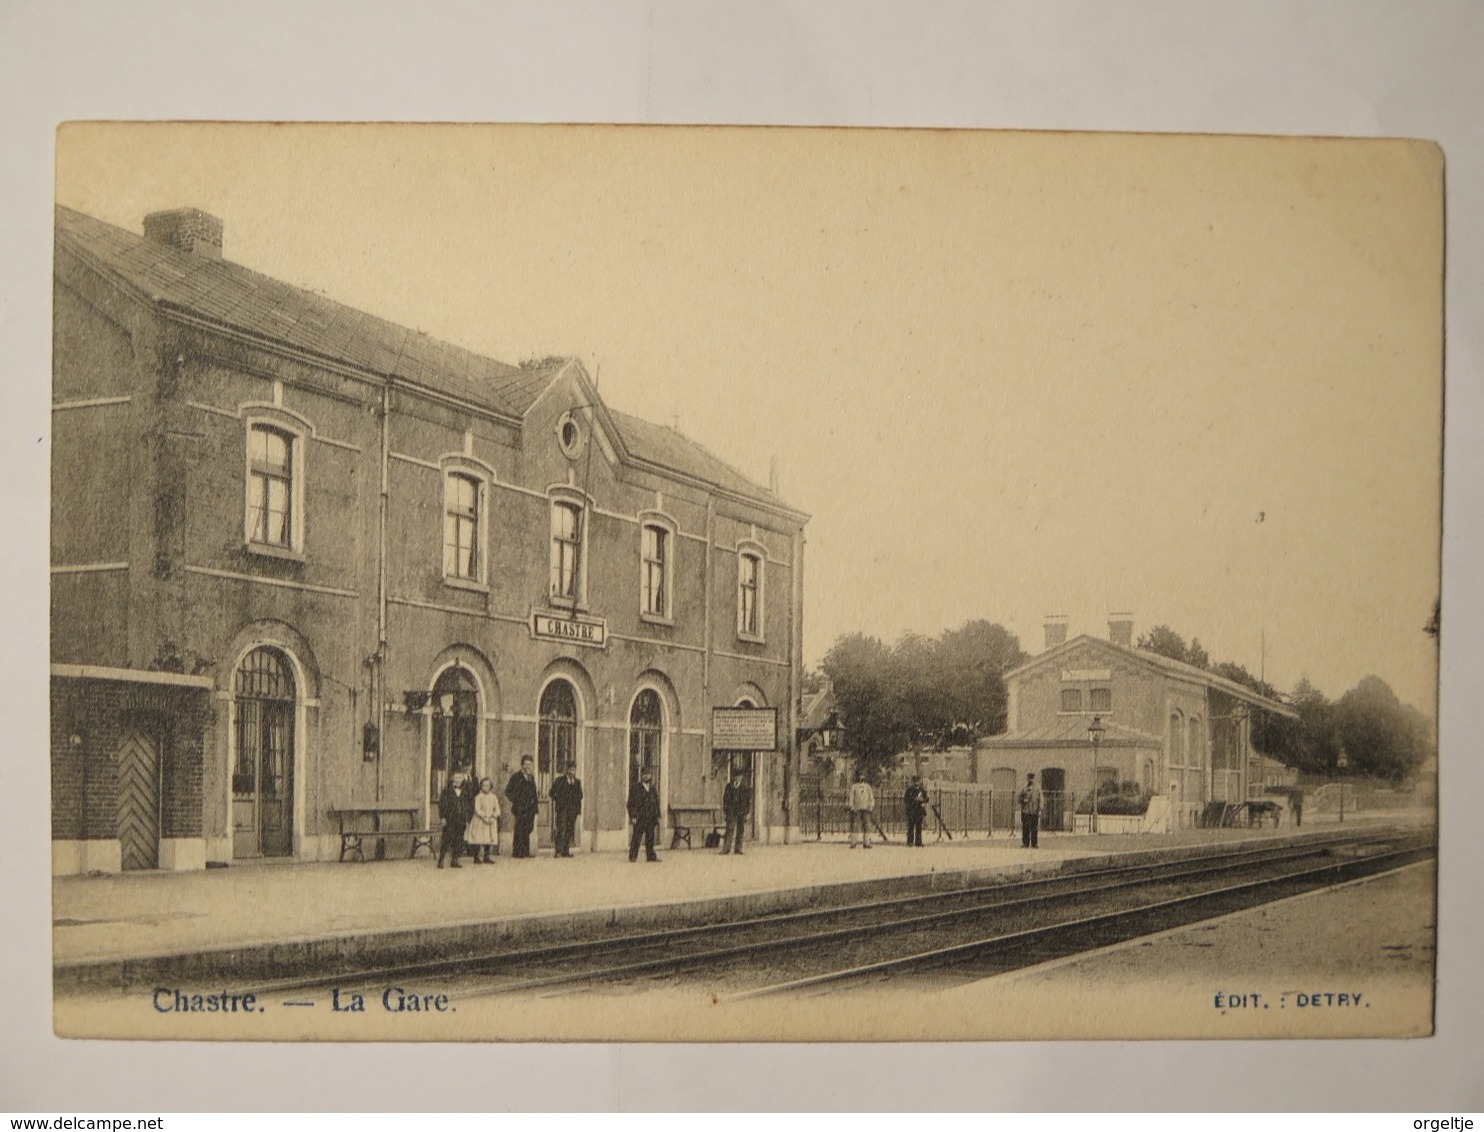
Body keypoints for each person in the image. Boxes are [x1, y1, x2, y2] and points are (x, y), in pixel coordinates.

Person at [505, 755, 540, 859]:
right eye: (525, 764)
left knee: (528, 828)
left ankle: (525, 851)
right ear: (522, 765)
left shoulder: (531, 777)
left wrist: (535, 808)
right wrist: (517, 800)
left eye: (529, 764)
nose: (527, 766)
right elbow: (508, 791)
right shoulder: (516, 777)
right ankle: (517, 852)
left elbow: (533, 793)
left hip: (530, 808)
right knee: (519, 829)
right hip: (520, 809)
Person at [549, 760, 584, 858]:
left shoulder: (577, 782)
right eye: (570, 769)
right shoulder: (559, 781)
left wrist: (577, 808)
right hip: (562, 810)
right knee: (561, 829)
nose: (572, 772)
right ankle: (558, 851)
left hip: (572, 810)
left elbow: (580, 795)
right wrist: (560, 800)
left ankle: (566, 850)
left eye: (573, 769)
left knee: (569, 830)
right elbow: (552, 793)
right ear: (566, 770)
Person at [436, 771, 471, 868]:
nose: (458, 780)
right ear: (452, 779)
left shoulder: (465, 791)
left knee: (459, 840)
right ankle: (441, 860)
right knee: (447, 839)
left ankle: (455, 860)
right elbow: (442, 804)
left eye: (460, 778)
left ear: (463, 779)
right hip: (450, 818)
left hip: (461, 819)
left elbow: (468, 806)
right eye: (456, 778)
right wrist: (442, 817)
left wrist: (467, 819)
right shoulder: (446, 791)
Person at [627, 769, 662, 862]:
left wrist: (658, 815)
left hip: (650, 817)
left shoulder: (652, 788)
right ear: (641, 775)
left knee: (650, 837)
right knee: (636, 837)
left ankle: (650, 856)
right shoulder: (635, 788)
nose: (646, 776)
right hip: (640, 817)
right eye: (644, 774)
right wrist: (633, 816)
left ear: (651, 776)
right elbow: (630, 803)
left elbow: (656, 803)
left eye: (648, 774)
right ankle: (633, 856)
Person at [464, 777, 501, 863]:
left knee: (488, 838)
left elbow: (497, 809)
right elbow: (477, 809)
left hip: (490, 820)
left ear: (490, 786)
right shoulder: (478, 797)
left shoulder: (493, 797)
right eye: (483, 785)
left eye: (487, 785)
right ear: (481, 786)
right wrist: (484, 816)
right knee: (478, 838)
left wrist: (493, 816)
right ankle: (476, 857)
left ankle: (486, 856)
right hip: (480, 820)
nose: (485, 787)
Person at [721, 767, 750, 855]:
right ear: (733, 777)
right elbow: (725, 799)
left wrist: (747, 812)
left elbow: (748, 801)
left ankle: (738, 848)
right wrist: (726, 811)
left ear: (741, 777)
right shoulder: (729, 786)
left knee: (740, 829)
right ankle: (726, 848)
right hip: (731, 811)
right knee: (729, 829)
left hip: (741, 811)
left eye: (739, 776)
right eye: (735, 776)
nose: (737, 778)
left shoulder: (745, 787)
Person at [847, 773, 876, 848]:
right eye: (860, 777)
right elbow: (851, 797)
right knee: (856, 826)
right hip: (857, 808)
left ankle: (866, 843)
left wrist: (871, 806)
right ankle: (853, 842)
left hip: (866, 808)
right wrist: (851, 806)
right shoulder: (854, 787)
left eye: (863, 777)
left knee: (867, 826)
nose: (861, 778)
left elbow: (871, 797)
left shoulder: (868, 787)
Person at [904, 775, 930, 847]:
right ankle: (910, 841)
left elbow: (927, 799)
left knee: (919, 827)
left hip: (919, 811)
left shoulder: (922, 790)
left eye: (918, 781)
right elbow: (906, 799)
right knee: (911, 827)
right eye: (915, 781)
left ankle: (918, 842)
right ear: (913, 782)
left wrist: (922, 800)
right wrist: (914, 800)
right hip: (912, 810)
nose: (916, 783)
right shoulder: (909, 790)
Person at [1018, 772, 1043, 848]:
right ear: (1027, 778)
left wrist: (1040, 809)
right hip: (1025, 811)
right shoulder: (1024, 788)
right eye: (1029, 778)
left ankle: (1034, 843)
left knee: (1034, 828)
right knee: (1025, 827)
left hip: (1034, 811)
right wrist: (1023, 800)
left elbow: (1041, 799)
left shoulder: (1038, 789)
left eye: (1032, 778)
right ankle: (1025, 843)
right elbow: (1019, 798)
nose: (1031, 780)